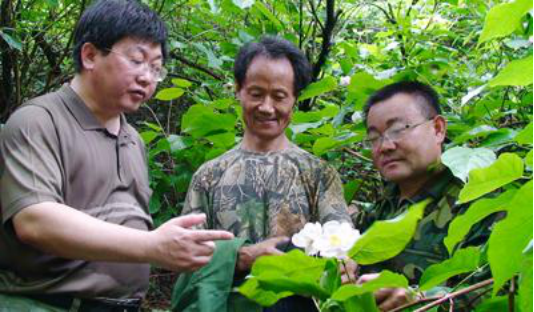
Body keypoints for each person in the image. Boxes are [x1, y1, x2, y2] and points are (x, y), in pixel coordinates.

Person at [0, 1, 233, 311]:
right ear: (90, 55)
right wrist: (152, 246)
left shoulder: (133, 140)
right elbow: (35, 220)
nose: (147, 77)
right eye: (137, 60)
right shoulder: (38, 121)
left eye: (156, 67)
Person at [172, 36, 353, 312]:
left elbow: (344, 252)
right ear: (238, 91)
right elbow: (184, 258)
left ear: (294, 100)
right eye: (256, 94)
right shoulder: (208, 176)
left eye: (279, 96)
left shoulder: (319, 175)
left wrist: (345, 265)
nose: (267, 107)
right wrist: (240, 258)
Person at [353, 81, 493, 311]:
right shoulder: (384, 206)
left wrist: (420, 298)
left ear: (438, 129)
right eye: (374, 137)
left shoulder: (478, 202)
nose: (384, 146)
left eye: (397, 130)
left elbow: (495, 291)